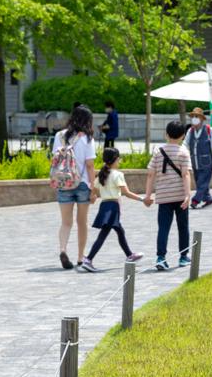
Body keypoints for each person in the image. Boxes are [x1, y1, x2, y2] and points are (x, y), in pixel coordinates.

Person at [79, 148, 144, 272]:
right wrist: (142, 199)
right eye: (118, 158)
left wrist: (92, 197)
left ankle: (130, 255)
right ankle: (89, 259)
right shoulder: (117, 175)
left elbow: (93, 191)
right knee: (104, 234)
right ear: (115, 159)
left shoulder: (102, 175)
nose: (119, 160)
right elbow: (127, 193)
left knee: (120, 231)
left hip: (104, 206)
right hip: (113, 208)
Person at [143, 121, 193, 271]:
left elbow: (151, 174)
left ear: (166, 134)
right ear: (183, 135)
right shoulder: (183, 152)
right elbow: (185, 174)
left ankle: (161, 257)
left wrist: (147, 195)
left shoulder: (158, 152)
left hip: (163, 197)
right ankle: (183, 257)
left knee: (163, 228)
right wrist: (187, 195)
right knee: (183, 227)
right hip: (179, 197)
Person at [52, 105, 97, 270]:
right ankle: (80, 257)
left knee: (65, 222)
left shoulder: (59, 135)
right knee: (82, 222)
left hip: (64, 183)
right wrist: (94, 188)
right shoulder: (87, 138)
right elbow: (90, 165)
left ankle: (63, 250)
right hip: (83, 184)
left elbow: (55, 158)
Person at [184, 107, 212, 208]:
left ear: (201, 119)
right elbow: (185, 144)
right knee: (199, 181)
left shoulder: (209, 130)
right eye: (193, 117)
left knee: (202, 181)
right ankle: (208, 198)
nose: (194, 118)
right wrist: (181, 153)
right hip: (194, 161)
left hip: (207, 161)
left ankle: (195, 200)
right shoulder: (190, 131)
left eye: (196, 116)